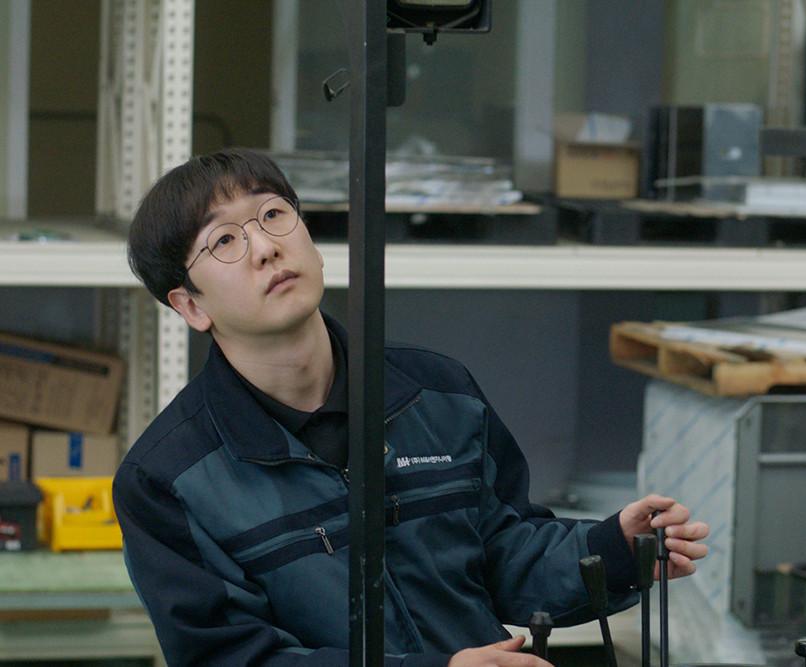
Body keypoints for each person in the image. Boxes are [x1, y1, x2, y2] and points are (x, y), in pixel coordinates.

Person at [113, 148, 709, 666]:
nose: (266, 247)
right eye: (223, 240)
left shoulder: (438, 394)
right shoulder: (167, 481)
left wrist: (612, 551)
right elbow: (233, 659)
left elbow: (505, 556)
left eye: (272, 215)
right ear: (190, 306)